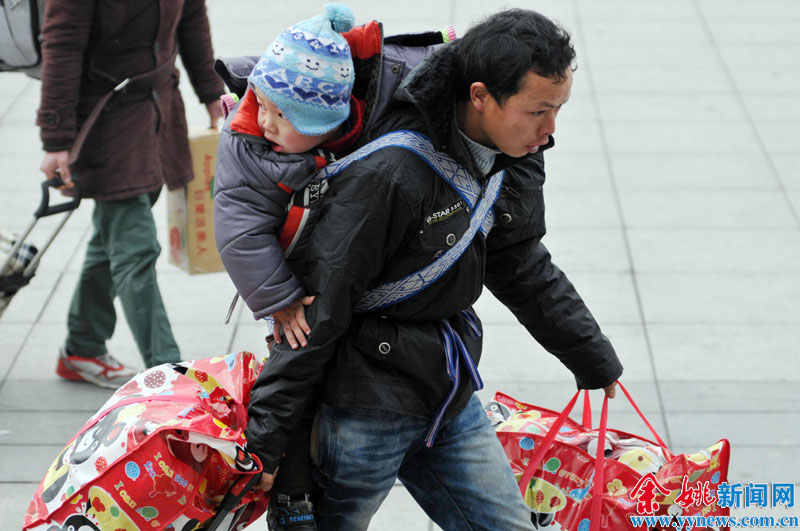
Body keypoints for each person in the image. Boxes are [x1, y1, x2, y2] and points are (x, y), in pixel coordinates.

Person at [250, 8, 629, 529]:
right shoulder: (389, 175)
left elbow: (518, 261)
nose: (550, 129)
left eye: (558, 109)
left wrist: (590, 353)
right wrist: (268, 445)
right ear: (480, 96)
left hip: (447, 390)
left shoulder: (512, 154)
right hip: (364, 408)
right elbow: (318, 312)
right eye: (538, 111)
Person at [213, 5, 362, 529]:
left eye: (285, 118)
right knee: (292, 361)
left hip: (333, 271)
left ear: (327, 125)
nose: (268, 122)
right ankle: (290, 497)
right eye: (265, 106)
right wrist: (277, 299)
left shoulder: (347, 132)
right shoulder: (246, 144)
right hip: (287, 283)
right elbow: (239, 231)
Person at [36, 0, 225, 389]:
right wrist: (55, 139)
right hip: (107, 120)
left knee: (114, 238)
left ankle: (82, 346)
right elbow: (62, 48)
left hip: (158, 110)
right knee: (135, 248)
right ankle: (173, 379)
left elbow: (191, 19)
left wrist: (211, 94)